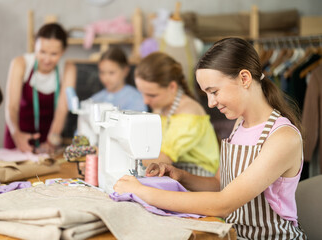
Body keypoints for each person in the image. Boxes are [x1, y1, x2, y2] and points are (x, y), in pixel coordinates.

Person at [114, 38, 307, 239]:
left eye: (214, 92)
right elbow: (219, 183)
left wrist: (141, 192)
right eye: (206, 94)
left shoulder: (283, 138)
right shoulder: (239, 123)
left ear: (244, 78)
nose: (211, 103)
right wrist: (180, 176)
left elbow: (224, 204)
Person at [135, 52, 219, 176]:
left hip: (199, 177)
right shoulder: (161, 107)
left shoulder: (189, 113)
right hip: (176, 170)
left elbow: (164, 158)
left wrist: (122, 156)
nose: (145, 101)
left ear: (172, 87)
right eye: (142, 93)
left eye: (152, 95)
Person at [4, 23, 76, 153]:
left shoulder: (68, 69)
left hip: (49, 136)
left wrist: (52, 139)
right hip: (18, 133)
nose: (47, 59)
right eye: (42, 52)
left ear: (63, 51)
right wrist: (16, 134)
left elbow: (62, 109)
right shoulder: (20, 64)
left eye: (54, 54)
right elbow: (12, 107)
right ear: (34, 46)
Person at [89, 47, 147, 112]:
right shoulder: (95, 98)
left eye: (111, 73)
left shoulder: (135, 98)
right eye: (102, 72)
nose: (106, 78)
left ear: (125, 71)